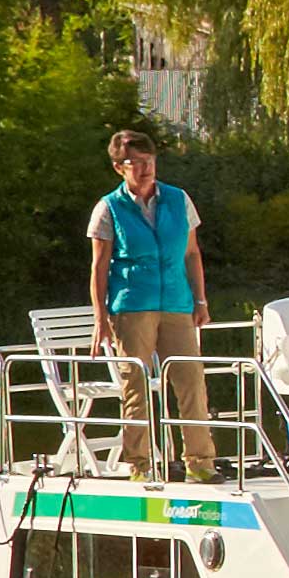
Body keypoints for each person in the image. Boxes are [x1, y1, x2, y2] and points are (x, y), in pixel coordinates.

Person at [80, 127, 206, 475]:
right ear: (119, 167)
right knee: (135, 385)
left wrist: (200, 301)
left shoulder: (179, 199)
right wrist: (100, 318)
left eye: (148, 160)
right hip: (132, 303)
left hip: (177, 303)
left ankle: (199, 462)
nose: (144, 168)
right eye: (134, 162)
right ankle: (139, 464)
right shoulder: (109, 208)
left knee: (191, 380)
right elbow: (99, 266)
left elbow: (192, 254)